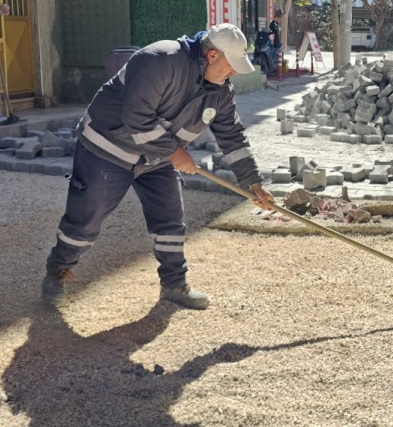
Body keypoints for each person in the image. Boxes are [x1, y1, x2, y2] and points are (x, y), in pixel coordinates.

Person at [42, 24, 277, 310]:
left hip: (156, 157)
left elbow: (233, 137)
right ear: (213, 55)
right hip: (107, 149)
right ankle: (57, 273)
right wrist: (175, 152)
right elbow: (136, 117)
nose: (234, 73)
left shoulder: (220, 92)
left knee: (170, 219)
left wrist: (253, 184)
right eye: (231, 66)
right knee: (85, 219)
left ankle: (174, 285)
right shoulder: (160, 59)